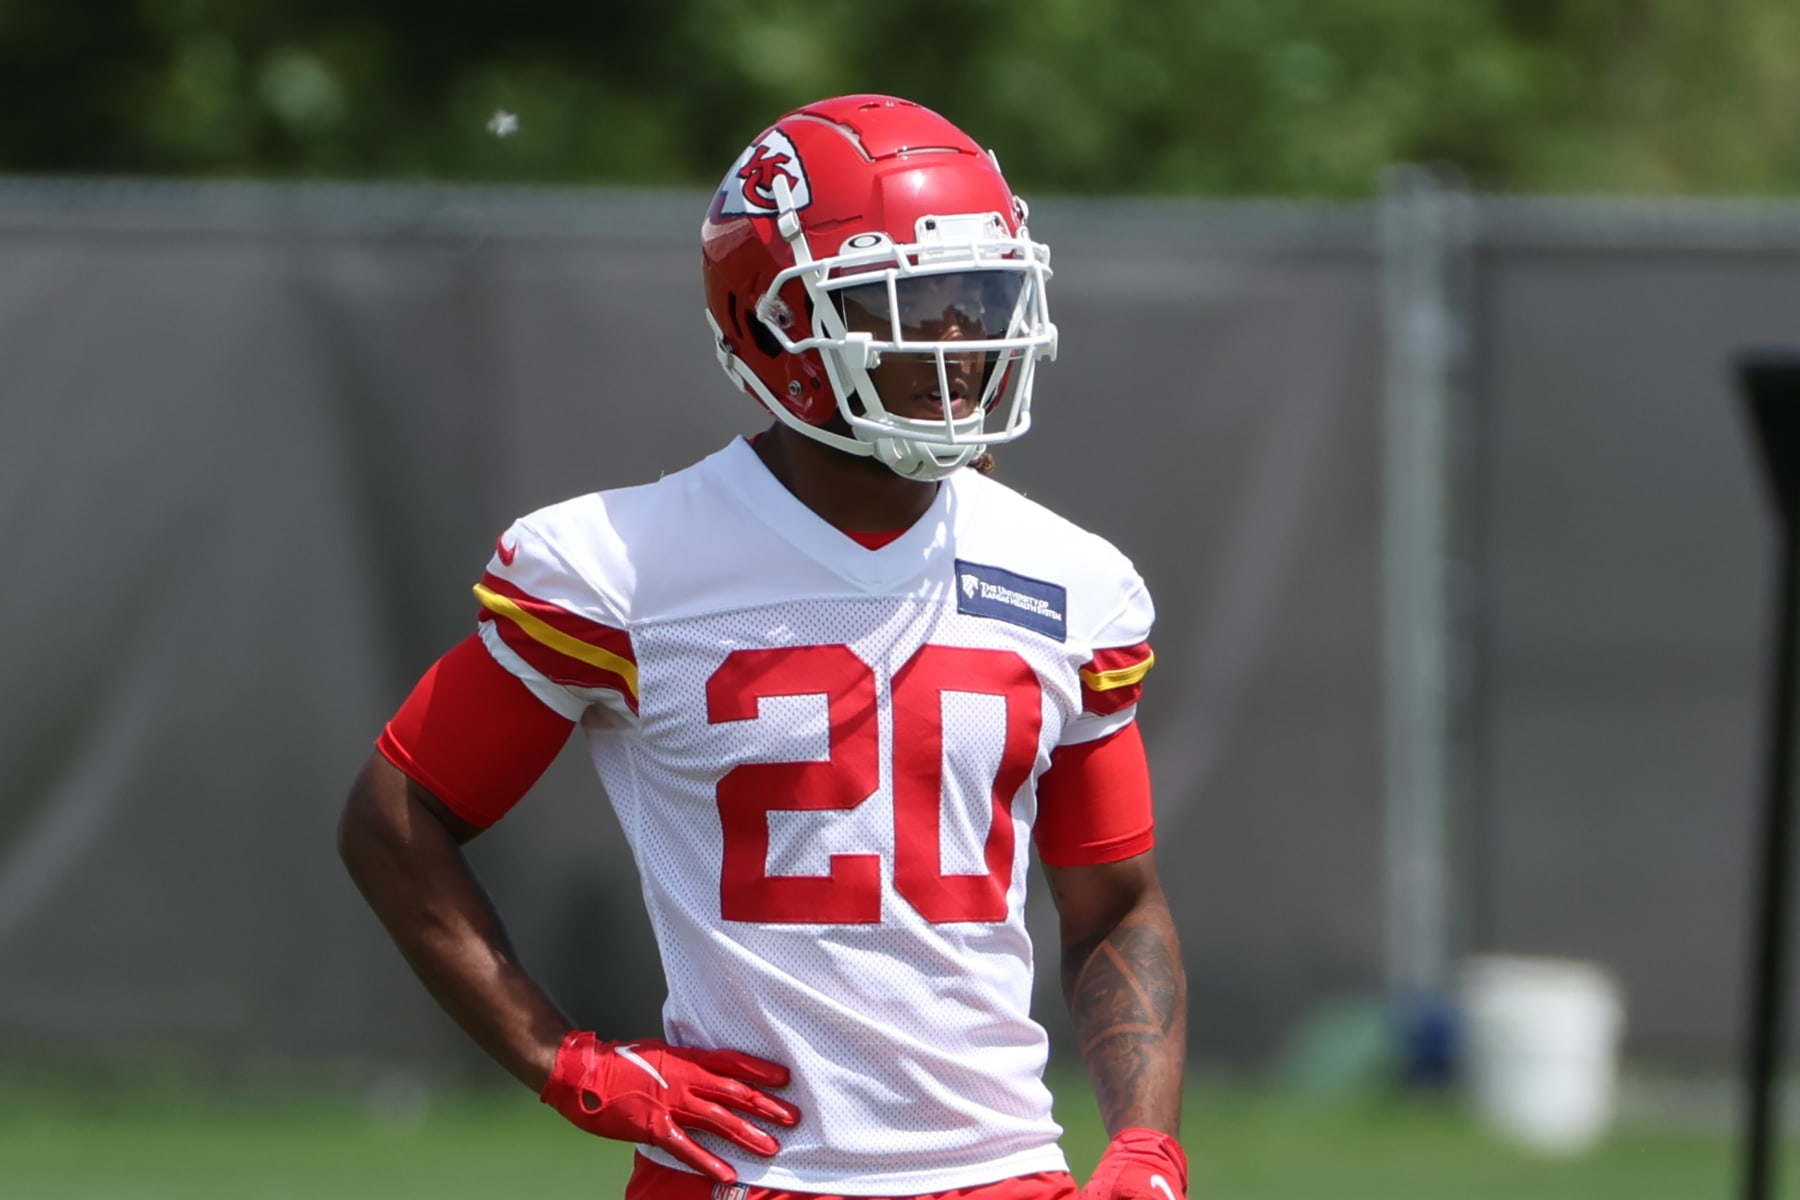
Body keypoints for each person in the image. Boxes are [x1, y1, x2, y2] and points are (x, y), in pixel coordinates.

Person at [338, 93, 1188, 1200]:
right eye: (912, 301)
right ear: (776, 324)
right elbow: (395, 819)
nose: (963, 339)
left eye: (981, 295)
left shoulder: (1075, 579)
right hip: (742, 1171)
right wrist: (567, 1063)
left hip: (1003, 1171)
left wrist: (1144, 1141)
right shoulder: (620, 566)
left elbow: (1115, 902)